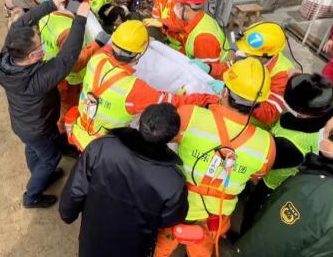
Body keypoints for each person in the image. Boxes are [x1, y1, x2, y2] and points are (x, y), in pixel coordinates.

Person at [154, 58, 276, 257]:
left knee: (162, 246)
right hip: (215, 218)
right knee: (202, 249)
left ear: (225, 91)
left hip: (177, 207)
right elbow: (256, 176)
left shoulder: (189, 115)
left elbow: (165, 137)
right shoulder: (267, 144)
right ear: (258, 103)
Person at [237, 109, 333, 257]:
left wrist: (241, 251)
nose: (320, 131)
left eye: (325, 131)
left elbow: (269, 241)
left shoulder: (310, 195)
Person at [0, 0, 90, 209]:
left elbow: (21, 24)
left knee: (32, 149)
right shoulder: (38, 79)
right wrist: (81, 19)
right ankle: (32, 195)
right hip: (38, 126)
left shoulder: (7, 57)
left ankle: (41, 173)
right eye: (40, 47)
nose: (43, 48)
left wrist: (51, 4)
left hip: (23, 123)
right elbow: (67, 58)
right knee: (50, 158)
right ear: (31, 56)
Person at [66, 20, 219, 151]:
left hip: (80, 133)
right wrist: (209, 98)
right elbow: (174, 102)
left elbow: (110, 48)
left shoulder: (97, 58)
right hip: (103, 149)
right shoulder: (134, 88)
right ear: (140, 54)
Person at [60, 103, 188, 257]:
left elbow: (76, 189)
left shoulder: (101, 148)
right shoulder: (173, 182)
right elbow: (169, 219)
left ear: (139, 122)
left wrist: (68, 212)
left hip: (93, 240)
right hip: (134, 247)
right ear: (173, 137)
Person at [240, 73, 333, 234]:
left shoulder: (291, 144)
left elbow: (264, 163)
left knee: (255, 209)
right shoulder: (330, 106)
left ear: (302, 113)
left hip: (273, 183)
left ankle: (244, 237)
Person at [39, 0, 109, 118]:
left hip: (53, 71)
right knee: (71, 110)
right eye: (83, 2)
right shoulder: (67, 29)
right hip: (71, 80)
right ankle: (67, 134)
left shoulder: (46, 13)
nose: (86, 6)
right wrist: (98, 44)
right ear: (71, 1)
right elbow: (75, 63)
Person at [169, 0, 230, 76]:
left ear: (187, 7)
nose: (175, 7)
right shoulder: (201, 20)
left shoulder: (203, 38)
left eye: (177, 4)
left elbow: (205, 75)